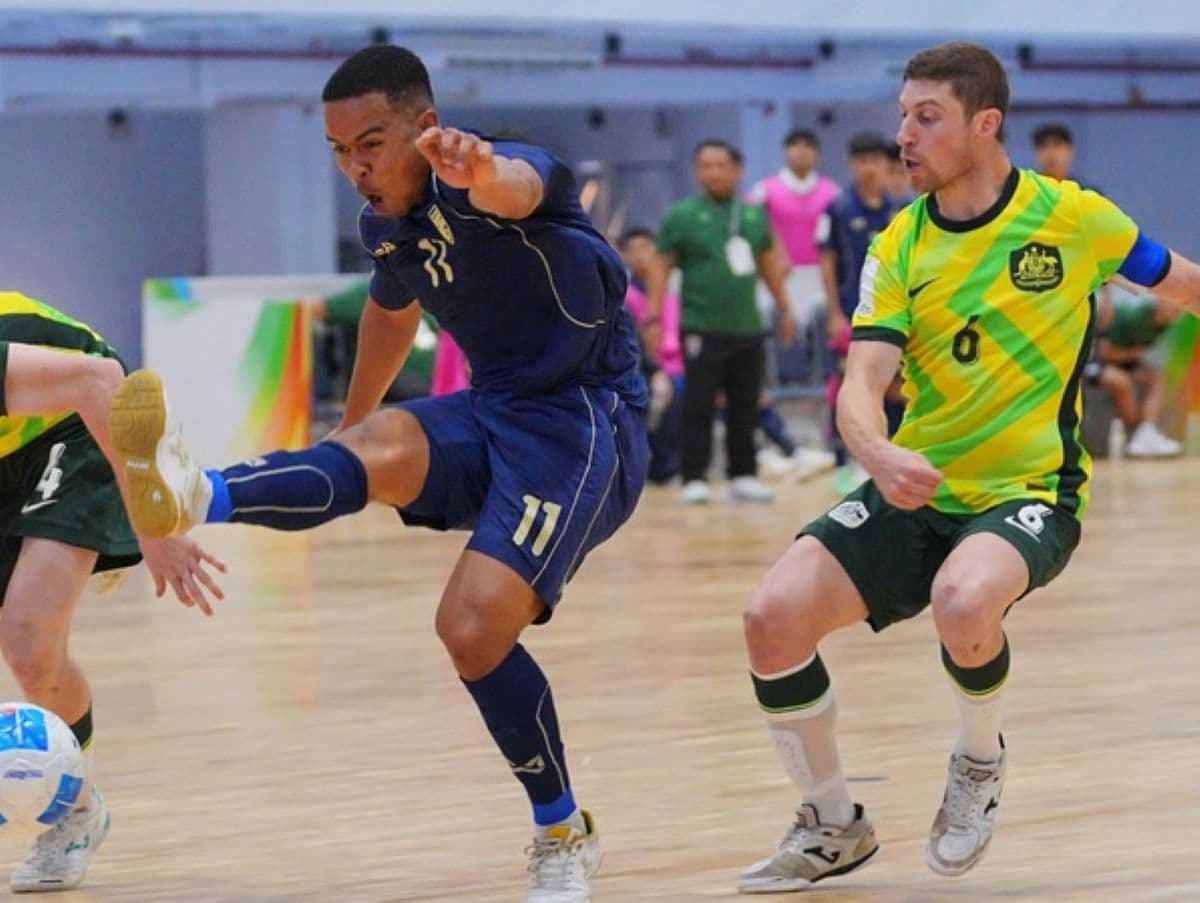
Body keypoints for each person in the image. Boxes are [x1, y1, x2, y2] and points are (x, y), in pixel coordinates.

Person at [108, 44, 647, 903]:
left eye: (371, 143)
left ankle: (561, 829)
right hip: (495, 403)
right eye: (338, 151)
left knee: (470, 633)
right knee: (378, 446)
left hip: (584, 424)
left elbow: (516, 184)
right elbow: (390, 319)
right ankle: (194, 492)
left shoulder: (514, 173)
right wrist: (352, 426)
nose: (355, 167)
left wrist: (479, 171)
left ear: (425, 128)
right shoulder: (385, 227)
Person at [739, 41, 1200, 891]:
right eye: (902, 117)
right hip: (917, 479)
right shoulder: (898, 245)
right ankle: (835, 823)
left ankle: (977, 763)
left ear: (985, 125)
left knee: (963, 596)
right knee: (771, 617)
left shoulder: (1075, 218)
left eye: (926, 118)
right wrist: (876, 451)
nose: (903, 136)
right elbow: (861, 384)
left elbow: (1183, 284)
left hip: (1032, 490)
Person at [0, 292, 223, 893]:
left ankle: (74, 815)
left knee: (26, 640)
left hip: (78, 427)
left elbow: (103, 381)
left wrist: (155, 528)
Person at [647, 140, 797, 505]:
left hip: (747, 326)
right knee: (698, 402)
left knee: (745, 404)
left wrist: (785, 308)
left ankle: (743, 474)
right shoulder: (681, 215)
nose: (712, 172)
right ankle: (693, 476)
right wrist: (653, 316)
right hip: (701, 325)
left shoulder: (752, 215)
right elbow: (660, 266)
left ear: (737, 169)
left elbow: (768, 264)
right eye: (705, 165)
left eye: (720, 165)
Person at [819, 132, 904, 492]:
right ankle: (844, 461)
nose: (870, 169)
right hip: (852, 316)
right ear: (853, 165)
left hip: (894, 317)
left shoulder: (900, 211)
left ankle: (892, 453)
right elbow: (828, 262)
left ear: (887, 167)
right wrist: (834, 312)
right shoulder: (837, 210)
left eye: (876, 161)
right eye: (862, 161)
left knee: (896, 388)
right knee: (849, 385)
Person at [749, 129, 841, 385]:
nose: (801, 152)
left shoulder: (831, 193)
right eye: (794, 146)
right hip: (780, 277)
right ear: (785, 152)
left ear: (817, 154)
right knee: (775, 318)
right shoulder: (765, 191)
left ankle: (825, 379)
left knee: (824, 316)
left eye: (807, 146)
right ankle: (783, 380)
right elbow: (754, 233)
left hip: (818, 276)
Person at [619, 227, 684, 484]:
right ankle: (661, 466)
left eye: (645, 248)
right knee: (661, 393)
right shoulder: (623, 296)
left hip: (680, 365)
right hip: (645, 368)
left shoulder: (673, 295)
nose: (640, 255)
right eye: (632, 250)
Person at [1092, 280, 1183, 457]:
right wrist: (1134, 353)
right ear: (1159, 302)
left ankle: (1146, 432)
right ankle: (1135, 433)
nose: (1177, 312)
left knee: (1156, 377)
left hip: (1122, 362)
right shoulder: (1132, 318)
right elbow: (1106, 353)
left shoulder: (1164, 325)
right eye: (1173, 305)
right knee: (1122, 382)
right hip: (1095, 363)